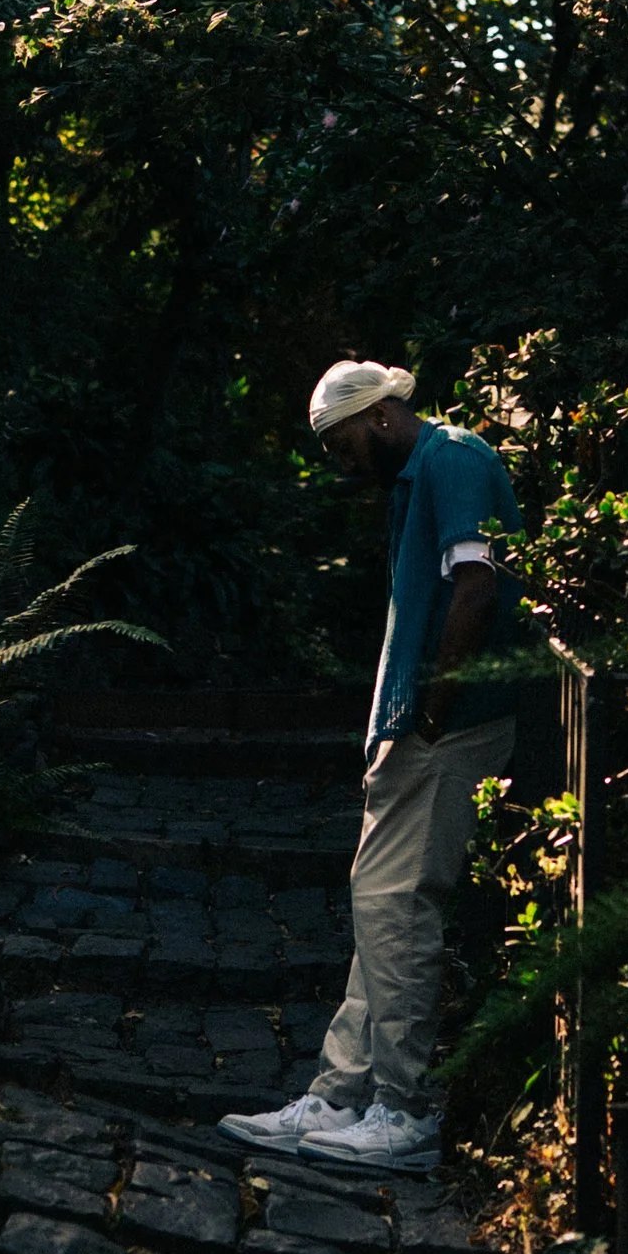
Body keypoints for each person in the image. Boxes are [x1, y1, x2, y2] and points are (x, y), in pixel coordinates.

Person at [220, 357, 523, 1172]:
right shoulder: (417, 474)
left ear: (381, 416)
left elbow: (475, 584)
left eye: (342, 444)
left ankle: (404, 1107)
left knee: (399, 907)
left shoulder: (452, 458)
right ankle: (344, 1090)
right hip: (415, 728)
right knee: (377, 908)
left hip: (449, 726)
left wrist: (431, 706)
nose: (339, 462)